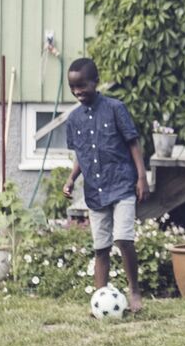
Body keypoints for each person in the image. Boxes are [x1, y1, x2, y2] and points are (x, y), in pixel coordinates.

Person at [63, 58, 151, 313]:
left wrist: (141, 177)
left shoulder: (115, 108)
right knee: (100, 248)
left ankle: (134, 290)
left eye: (82, 86)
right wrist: (71, 179)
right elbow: (80, 154)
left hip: (122, 184)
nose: (78, 92)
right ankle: (99, 298)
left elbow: (133, 143)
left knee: (123, 239)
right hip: (95, 191)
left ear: (95, 82)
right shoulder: (74, 119)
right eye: (73, 88)